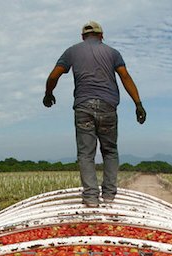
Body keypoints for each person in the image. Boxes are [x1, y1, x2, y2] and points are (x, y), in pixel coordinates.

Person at [44, 20, 146, 207]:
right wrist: (138, 104)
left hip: (83, 106)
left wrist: (48, 93)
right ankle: (108, 195)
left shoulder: (72, 51)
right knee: (110, 151)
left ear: (83, 37)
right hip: (108, 106)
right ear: (101, 36)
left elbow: (53, 75)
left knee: (86, 154)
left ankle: (91, 197)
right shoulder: (113, 53)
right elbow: (125, 77)